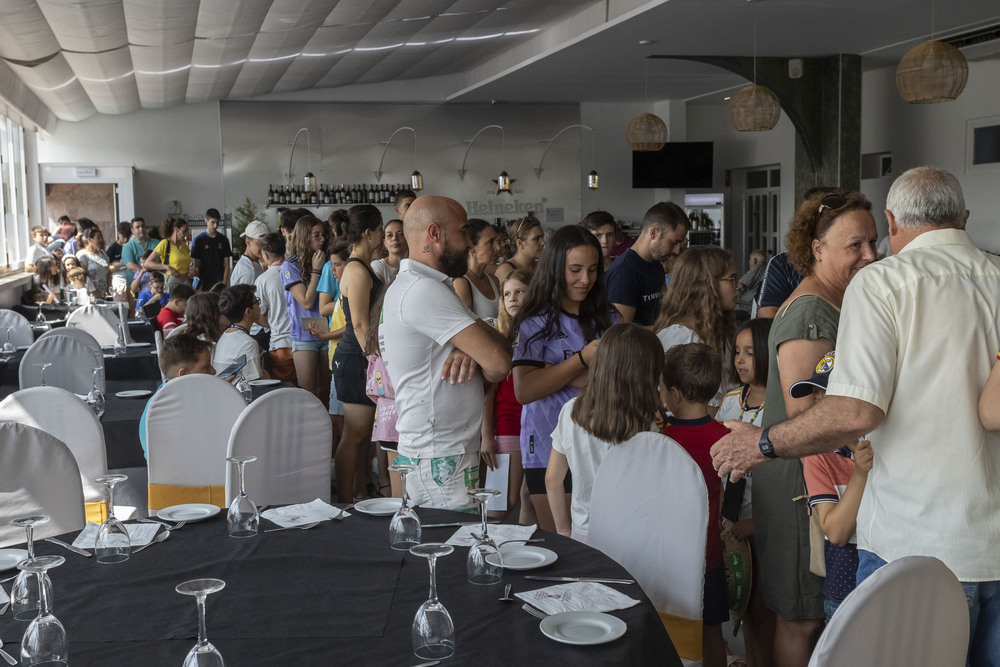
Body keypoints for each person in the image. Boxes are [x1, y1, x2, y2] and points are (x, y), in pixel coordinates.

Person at [713, 168, 1000, 666]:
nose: (870, 253)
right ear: (965, 218)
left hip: (913, 544)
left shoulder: (882, 283)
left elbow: (856, 410)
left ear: (890, 220)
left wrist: (760, 443)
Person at [713, 189, 877, 667]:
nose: (870, 254)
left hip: (812, 480)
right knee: (803, 619)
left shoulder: (834, 300)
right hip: (801, 487)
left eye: (873, 242)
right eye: (856, 245)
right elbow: (812, 414)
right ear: (817, 247)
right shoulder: (811, 312)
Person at [379, 195, 512, 510]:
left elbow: (495, 361)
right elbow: (500, 361)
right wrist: (479, 345)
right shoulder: (423, 291)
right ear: (435, 234)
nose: (469, 242)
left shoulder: (422, 287)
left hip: (442, 454)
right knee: (450, 553)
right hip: (440, 458)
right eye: (464, 231)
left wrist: (472, 345)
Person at [511, 225, 615, 531]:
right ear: (555, 268)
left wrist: (559, 372)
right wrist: (582, 361)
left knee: (600, 542)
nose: (586, 279)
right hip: (545, 445)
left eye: (593, 270)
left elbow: (620, 378)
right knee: (561, 544)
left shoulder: (609, 317)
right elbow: (525, 389)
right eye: (575, 270)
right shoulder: (534, 320)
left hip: (602, 445)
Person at [545, 323, 664, 541]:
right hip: (630, 536)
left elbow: (552, 479)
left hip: (582, 533)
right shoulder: (645, 426)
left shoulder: (571, 410)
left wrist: (563, 530)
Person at [660, 342, 731, 667]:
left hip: (672, 556)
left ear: (673, 393)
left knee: (672, 633)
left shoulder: (663, 439)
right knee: (712, 632)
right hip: (710, 553)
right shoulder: (725, 436)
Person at [792, 353, 873, 624]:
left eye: (828, 397)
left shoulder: (890, 445)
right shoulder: (819, 456)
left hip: (890, 585)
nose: (818, 405)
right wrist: (861, 472)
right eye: (816, 397)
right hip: (844, 590)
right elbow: (837, 532)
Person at [715, 316, 775, 667]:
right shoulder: (731, 400)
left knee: (763, 609)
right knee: (743, 608)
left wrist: (753, 523)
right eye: (737, 351)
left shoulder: (779, 408)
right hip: (730, 519)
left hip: (761, 519)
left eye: (750, 353)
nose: (739, 360)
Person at [331, 205, 385, 503]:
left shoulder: (361, 266)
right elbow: (362, 324)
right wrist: (377, 363)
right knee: (354, 433)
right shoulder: (356, 269)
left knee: (359, 434)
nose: (381, 237)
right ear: (368, 232)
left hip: (358, 357)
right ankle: (344, 498)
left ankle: (352, 492)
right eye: (379, 230)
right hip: (356, 358)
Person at [654, 246, 740, 411]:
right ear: (707, 284)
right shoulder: (681, 338)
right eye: (732, 278)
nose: (739, 285)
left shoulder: (718, 328)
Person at [481, 269, 533, 522]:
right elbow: (488, 391)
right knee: (500, 503)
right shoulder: (499, 336)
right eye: (507, 294)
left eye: (519, 292)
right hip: (507, 422)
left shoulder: (541, 332)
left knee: (529, 496)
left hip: (536, 424)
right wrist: (486, 434)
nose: (512, 298)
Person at [605, 201, 689, 325]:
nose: (677, 250)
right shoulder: (624, 271)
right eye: (674, 242)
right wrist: (668, 330)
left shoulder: (656, 265)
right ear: (654, 233)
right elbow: (622, 334)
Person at [138, 333, 217, 458]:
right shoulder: (173, 412)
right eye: (206, 366)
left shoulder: (159, 401)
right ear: (184, 374)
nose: (213, 371)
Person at [281, 215, 329, 397]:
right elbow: (307, 302)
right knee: (308, 394)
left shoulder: (325, 260)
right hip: (304, 335)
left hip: (327, 331)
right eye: (316, 235)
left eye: (323, 234)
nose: (322, 239)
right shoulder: (290, 265)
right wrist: (316, 271)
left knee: (327, 392)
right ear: (303, 236)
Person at [255, 232, 296, 383]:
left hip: (280, 343)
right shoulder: (297, 270)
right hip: (305, 340)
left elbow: (257, 314)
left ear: (265, 254)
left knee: (285, 390)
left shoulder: (263, 280)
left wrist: (270, 323)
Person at [215, 284, 268, 381]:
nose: (259, 305)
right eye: (257, 302)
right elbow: (255, 384)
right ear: (248, 311)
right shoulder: (248, 343)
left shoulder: (226, 334)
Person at [453, 219, 502, 325]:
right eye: (490, 242)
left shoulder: (494, 280)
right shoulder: (462, 284)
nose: (497, 248)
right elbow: (464, 328)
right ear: (472, 248)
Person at [145, 217, 193, 292]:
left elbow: (186, 264)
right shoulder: (165, 244)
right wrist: (166, 266)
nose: (186, 234)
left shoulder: (184, 246)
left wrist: (191, 271)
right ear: (176, 230)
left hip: (185, 281)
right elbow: (147, 263)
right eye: (184, 231)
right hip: (172, 281)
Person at [495, 213, 544, 283]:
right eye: (536, 238)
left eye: (542, 237)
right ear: (520, 243)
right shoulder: (506, 270)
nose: (542, 242)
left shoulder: (541, 267)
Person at [191, 208, 232, 290]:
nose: (215, 225)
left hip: (219, 281)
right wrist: (199, 286)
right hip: (204, 282)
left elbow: (227, 265)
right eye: (212, 222)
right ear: (206, 221)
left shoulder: (224, 240)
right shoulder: (198, 240)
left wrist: (224, 284)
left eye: (217, 222)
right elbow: (196, 266)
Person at [121, 217, 158, 286]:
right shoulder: (128, 246)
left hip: (157, 285)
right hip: (135, 285)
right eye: (137, 227)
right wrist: (148, 274)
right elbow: (130, 265)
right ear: (132, 230)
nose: (141, 229)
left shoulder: (156, 243)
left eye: (143, 226)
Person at [230, 220, 269, 286]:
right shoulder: (248, 272)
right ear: (247, 242)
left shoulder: (254, 263)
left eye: (266, 244)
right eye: (259, 244)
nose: (264, 248)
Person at [76, 227, 111, 296]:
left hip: (104, 294)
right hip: (91, 295)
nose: (101, 240)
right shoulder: (82, 255)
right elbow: (83, 277)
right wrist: (93, 292)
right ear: (89, 240)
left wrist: (109, 288)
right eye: (98, 238)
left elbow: (108, 273)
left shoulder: (102, 253)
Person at [371, 218, 407, 284]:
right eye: (389, 235)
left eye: (400, 234)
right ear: (385, 243)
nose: (394, 238)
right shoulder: (378, 266)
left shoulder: (416, 265)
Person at [734, 249, 768, 321]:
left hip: (746, 305)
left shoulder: (758, 268)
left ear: (755, 260)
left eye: (750, 259)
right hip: (753, 305)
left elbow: (739, 285)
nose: (749, 261)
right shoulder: (766, 268)